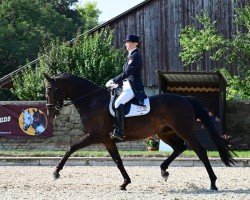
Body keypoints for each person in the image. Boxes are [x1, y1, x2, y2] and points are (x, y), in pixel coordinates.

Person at [105, 34, 147, 140]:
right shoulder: (130, 55)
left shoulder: (135, 55)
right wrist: (117, 84)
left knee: (118, 103)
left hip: (133, 87)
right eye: (126, 42)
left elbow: (128, 73)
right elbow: (125, 75)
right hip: (127, 85)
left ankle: (120, 131)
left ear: (135, 44)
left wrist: (113, 80)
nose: (125, 44)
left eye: (128, 42)